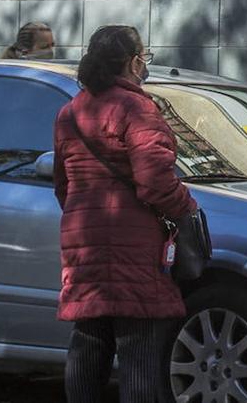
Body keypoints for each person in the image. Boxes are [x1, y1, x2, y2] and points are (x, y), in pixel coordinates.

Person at [54, 26, 196, 403]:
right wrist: (187, 207)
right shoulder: (137, 108)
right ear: (133, 62)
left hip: (82, 242)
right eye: (144, 57)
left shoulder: (70, 111)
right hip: (133, 243)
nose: (145, 65)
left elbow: (63, 185)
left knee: (89, 340)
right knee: (139, 351)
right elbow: (154, 182)